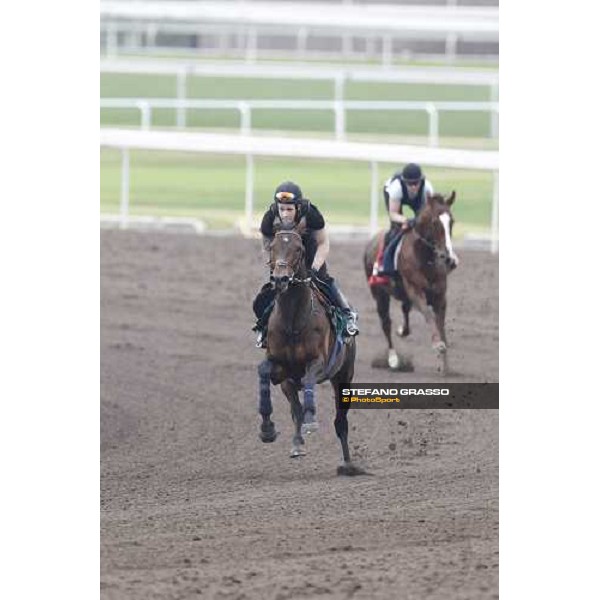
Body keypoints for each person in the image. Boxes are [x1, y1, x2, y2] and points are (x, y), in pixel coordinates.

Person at [253, 181, 358, 348]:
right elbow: (266, 244)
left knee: (325, 282)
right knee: (266, 292)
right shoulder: (269, 218)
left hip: (310, 253)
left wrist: (315, 268)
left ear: (298, 208)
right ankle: (263, 327)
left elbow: (323, 243)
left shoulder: (312, 215)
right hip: (284, 258)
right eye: (282, 209)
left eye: (289, 209)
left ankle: (348, 316)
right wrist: (275, 266)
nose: (285, 214)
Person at [369, 163, 434, 285]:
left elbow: (427, 214)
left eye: (416, 183)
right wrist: (405, 220)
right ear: (405, 182)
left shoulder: (427, 189)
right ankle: (383, 265)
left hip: (416, 201)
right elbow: (393, 214)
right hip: (394, 199)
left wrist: (417, 221)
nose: (414, 187)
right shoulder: (396, 188)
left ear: (421, 181)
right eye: (410, 184)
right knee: (395, 230)